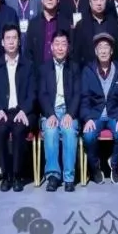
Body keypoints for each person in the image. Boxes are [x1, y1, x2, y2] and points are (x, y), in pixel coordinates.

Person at [0, 25, 37, 192]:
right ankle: (5, 175)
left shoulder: (28, 65)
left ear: (19, 41)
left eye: (14, 38)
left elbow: (33, 92)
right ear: (2, 42)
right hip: (2, 111)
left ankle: (17, 175)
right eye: (7, 38)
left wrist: (24, 110)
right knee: (0, 130)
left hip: (22, 111)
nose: (11, 42)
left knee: (18, 130)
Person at [80, 32, 118, 185]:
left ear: (111, 51)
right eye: (100, 47)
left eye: (106, 47)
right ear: (95, 51)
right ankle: (95, 168)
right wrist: (87, 118)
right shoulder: (88, 71)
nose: (103, 50)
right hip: (95, 115)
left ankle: (114, 164)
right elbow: (84, 98)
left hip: (114, 114)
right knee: (88, 136)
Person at [39, 30, 81, 192]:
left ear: (68, 47)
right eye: (57, 44)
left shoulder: (75, 67)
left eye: (64, 44)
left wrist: (70, 114)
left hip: (69, 111)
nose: (60, 48)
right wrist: (50, 114)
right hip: (51, 111)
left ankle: (69, 177)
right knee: (50, 131)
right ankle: (53, 176)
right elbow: (42, 94)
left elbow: (77, 93)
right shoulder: (44, 68)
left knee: (69, 131)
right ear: (51, 47)